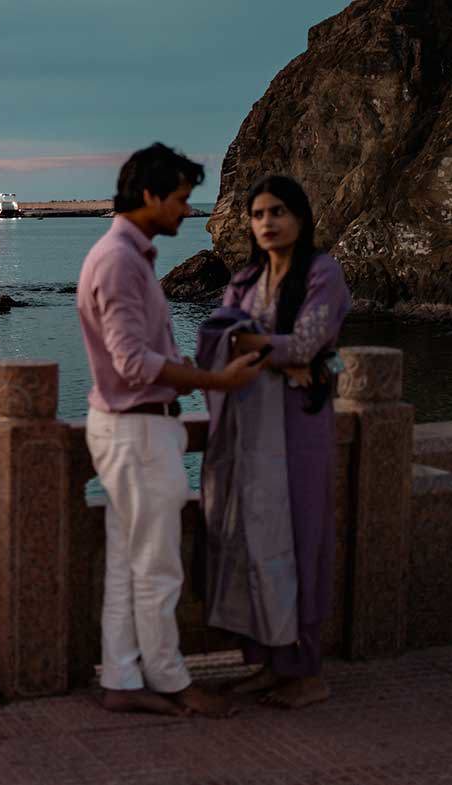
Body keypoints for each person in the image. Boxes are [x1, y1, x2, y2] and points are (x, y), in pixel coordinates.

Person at [76, 143, 264, 718]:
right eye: (182, 199)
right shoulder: (119, 262)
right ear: (152, 196)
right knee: (158, 565)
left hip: (127, 427)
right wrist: (217, 380)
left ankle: (123, 679)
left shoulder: (128, 257)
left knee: (129, 561)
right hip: (136, 429)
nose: (189, 211)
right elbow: (134, 364)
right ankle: (171, 680)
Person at [217, 175, 351, 709]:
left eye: (278, 212)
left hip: (300, 426)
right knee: (256, 537)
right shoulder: (246, 279)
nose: (267, 222)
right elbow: (219, 341)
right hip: (253, 426)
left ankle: (306, 669)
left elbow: (307, 342)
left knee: (300, 536)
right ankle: (269, 664)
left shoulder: (323, 274)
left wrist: (258, 347)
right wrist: (281, 359)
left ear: (300, 217)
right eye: (258, 214)